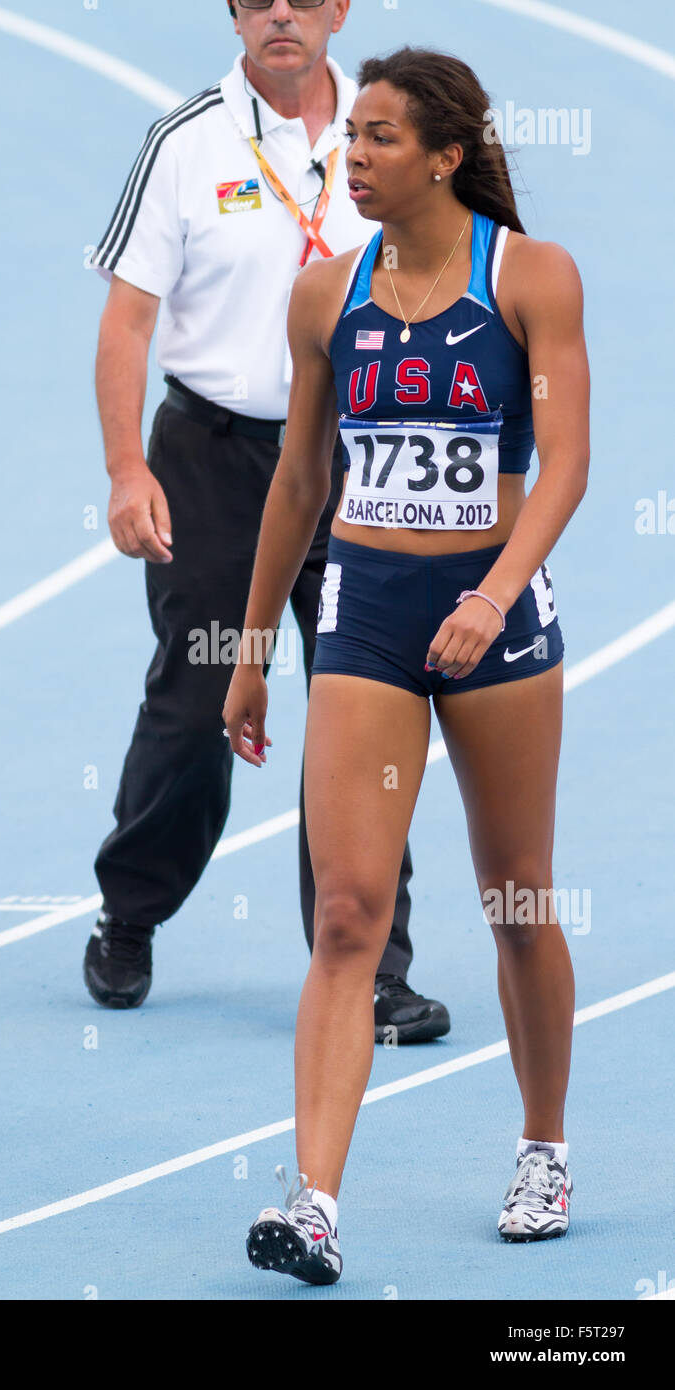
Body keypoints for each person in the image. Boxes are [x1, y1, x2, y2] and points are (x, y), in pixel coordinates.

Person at [224, 45, 590, 1284]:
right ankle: (314, 1203)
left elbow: (563, 465)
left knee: (516, 897)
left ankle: (541, 1147)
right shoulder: (323, 297)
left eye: (378, 137)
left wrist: (491, 595)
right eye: (351, 138)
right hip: (368, 616)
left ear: (445, 155)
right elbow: (298, 482)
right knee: (345, 912)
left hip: (494, 619)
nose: (353, 157)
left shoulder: (529, 276)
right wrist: (251, 651)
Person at [84, 1, 449, 1043]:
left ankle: (370, 966)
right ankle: (130, 912)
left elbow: (455, 277)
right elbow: (128, 320)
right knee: (198, 697)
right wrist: (125, 470)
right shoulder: (184, 142)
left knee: (364, 708)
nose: (280, 12)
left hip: (360, 463)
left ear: (339, 10)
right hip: (213, 462)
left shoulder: (389, 130)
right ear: (234, 15)